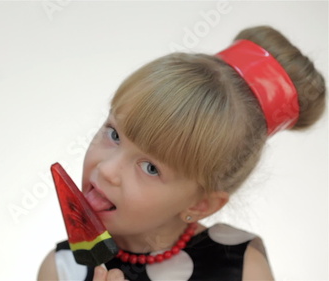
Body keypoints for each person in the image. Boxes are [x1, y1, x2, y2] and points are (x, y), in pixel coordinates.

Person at [37, 25, 326, 281]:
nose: (109, 170)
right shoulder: (61, 269)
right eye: (114, 135)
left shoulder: (241, 268)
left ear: (201, 205)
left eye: (150, 168)